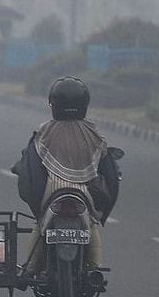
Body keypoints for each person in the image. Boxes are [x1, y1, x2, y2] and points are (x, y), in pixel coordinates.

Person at [12, 76, 121, 277]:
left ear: (53, 103)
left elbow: (32, 167)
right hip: (85, 192)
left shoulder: (44, 131)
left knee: (40, 225)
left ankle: (29, 268)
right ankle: (94, 269)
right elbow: (108, 168)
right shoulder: (94, 133)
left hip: (51, 191)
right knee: (92, 225)